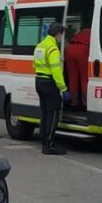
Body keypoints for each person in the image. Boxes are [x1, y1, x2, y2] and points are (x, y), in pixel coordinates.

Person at [33, 23, 68, 155]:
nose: (61, 38)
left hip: (39, 81)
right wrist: (63, 88)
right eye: (61, 35)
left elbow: (34, 65)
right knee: (52, 114)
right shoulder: (53, 49)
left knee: (44, 113)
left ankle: (44, 142)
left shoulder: (40, 46)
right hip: (49, 83)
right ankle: (49, 145)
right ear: (58, 34)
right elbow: (56, 71)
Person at [64, 27, 92, 109]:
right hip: (82, 50)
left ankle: (74, 102)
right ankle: (85, 103)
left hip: (69, 49)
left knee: (72, 79)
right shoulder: (92, 31)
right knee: (84, 78)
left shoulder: (81, 32)